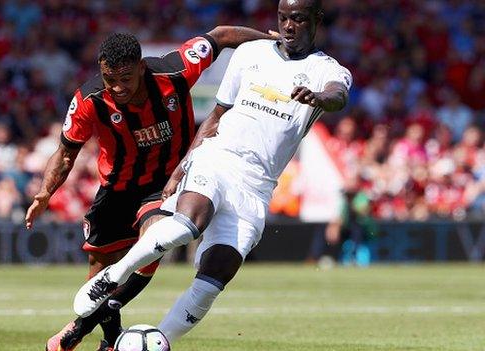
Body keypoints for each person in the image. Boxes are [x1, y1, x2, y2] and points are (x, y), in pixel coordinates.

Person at [73, 0, 352, 344]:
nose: (289, 25)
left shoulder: (328, 70)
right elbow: (217, 116)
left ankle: (160, 340)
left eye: (298, 18)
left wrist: (321, 99)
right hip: (219, 157)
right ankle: (115, 274)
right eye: (283, 18)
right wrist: (181, 168)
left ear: (316, 19)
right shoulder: (251, 53)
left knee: (215, 276)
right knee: (192, 220)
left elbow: (338, 95)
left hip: (258, 185)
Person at [24, 27, 279, 351]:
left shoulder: (176, 70)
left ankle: (78, 328)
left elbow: (222, 36)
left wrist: (275, 44)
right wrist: (46, 193)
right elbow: (65, 153)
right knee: (101, 270)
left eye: (125, 79)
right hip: (116, 188)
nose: (116, 88)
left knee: (154, 237)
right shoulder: (89, 99)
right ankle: (111, 340)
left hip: (166, 183)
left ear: (141, 68)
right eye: (109, 79)